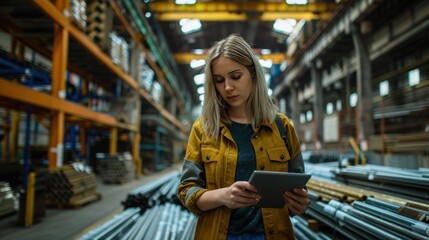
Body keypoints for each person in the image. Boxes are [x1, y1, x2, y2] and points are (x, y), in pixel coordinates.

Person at [177, 34, 310, 240]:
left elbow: (297, 189)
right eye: (219, 80)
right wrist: (223, 196)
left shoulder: (282, 127)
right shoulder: (203, 129)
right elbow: (187, 192)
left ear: (253, 74)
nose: (227, 87)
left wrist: (300, 203)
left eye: (236, 76)